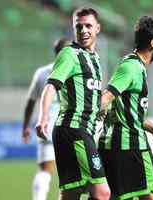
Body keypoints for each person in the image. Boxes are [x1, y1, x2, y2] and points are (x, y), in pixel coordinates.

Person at [35, 7, 111, 200]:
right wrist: (43, 117)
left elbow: (88, 93)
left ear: (98, 28)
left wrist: (99, 109)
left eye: (88, 26)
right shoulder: (70, 54)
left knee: (71, 192)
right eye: (79, 26)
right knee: (102, 193)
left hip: (72, 131)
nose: (84, 30)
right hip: (74, 130)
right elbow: (50, 87)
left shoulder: (94, 59)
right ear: (73, 28)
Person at [98, 16, 153, 200]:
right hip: (130, 147)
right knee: (152, 196)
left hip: (113, 147)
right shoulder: (131, 67)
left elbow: (129, 113)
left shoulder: (134, 66)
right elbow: (106, 96)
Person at [21, 38, 70, 200]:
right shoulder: (75, 71)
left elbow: (30, 102)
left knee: (44, 171)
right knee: (72, 177)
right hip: (70, 127)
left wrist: (25, 127)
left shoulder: (42, 72)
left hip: (46, 127)